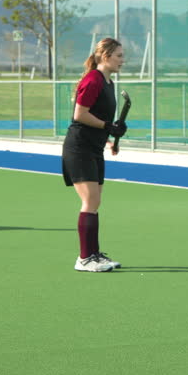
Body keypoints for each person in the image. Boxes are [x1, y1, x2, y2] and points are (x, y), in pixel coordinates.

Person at [62, 37, 128, 272]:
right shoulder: (93, 80)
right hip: (79, 148)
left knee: (95, 201)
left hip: (94, 148)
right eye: (119, 55)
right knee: (90, 201)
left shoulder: (107, 83)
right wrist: (107, 127)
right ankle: (84, 258)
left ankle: (94, 255)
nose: (123, 60)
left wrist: (110, 139)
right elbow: (80, 115)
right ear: (105, 56)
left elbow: (97, 119)